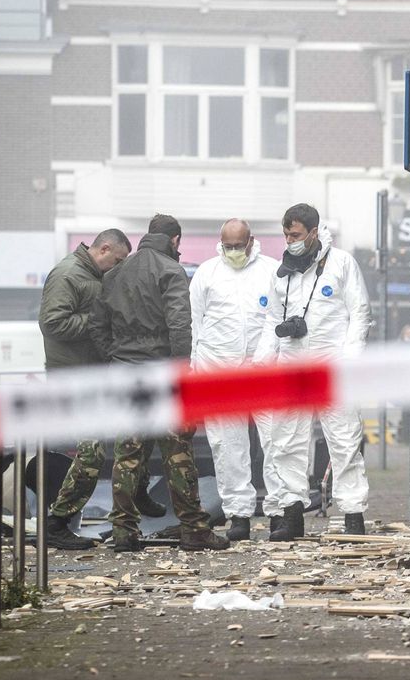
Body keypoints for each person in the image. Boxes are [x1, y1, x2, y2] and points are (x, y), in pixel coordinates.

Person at [88, 214, 229, 552]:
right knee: (177, 453)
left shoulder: (117, 271)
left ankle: (123, 532)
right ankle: (194, 529)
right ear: (175, 241)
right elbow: (180, 327)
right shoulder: (170, 271)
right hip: (164, 373)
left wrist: (116, 357)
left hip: (127, 373)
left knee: (127, 453)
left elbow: (97, 325)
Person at [39, 229, 168, 549]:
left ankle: (134, 495)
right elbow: (52, 323)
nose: (118, 267)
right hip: (73, 378)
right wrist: (101, 321)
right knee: (91, 452)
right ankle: (56, 522)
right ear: (104, 249)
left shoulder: (94, 275)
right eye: (118, 260)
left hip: (94, 375)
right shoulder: (68, 274)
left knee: (128, 437)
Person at [254, 203, 371, 538]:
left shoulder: (341, 264)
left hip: (332, 366)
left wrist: (350, 360)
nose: (290, 240)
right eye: (286, 234)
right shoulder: (282, 273)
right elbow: (272, 322)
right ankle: (292, 515)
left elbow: (359, 313)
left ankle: (352, 515)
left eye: (296, 234)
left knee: (344, 440)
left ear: (314, 231)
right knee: (286, 442)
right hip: (292, 367)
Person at [189, 218, 278, 542]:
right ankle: (238, 515)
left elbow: (276, 319)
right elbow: (195, 324)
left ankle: (278, 512)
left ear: (251, 241)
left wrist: (265, 358)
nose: (234, 252)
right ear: (220, 242)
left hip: (264, 369)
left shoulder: (271, 270)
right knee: (228, 446)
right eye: (229, 246)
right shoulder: (207, 273)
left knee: (276, 442)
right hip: (219, 370)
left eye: (239, 245)